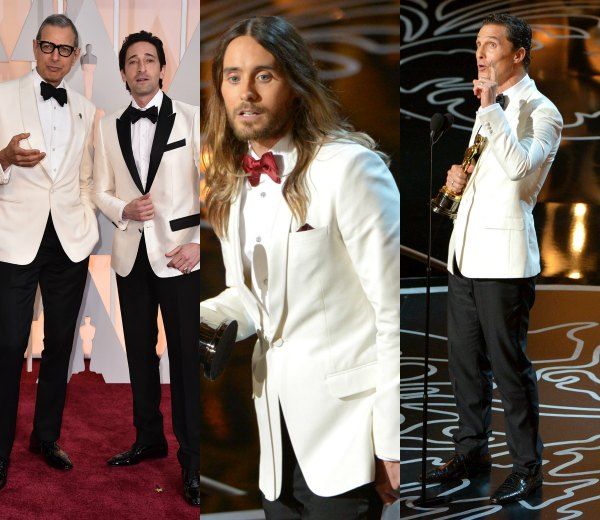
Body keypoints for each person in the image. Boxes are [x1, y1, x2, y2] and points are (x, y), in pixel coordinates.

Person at [201, 16, 400, 519]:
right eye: (232, 76)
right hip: (275, 435)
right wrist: (198, 316)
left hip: (345, 433)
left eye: (263, 75)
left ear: (294, 84)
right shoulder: (231, 184)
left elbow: (390, 310)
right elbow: (248, 298)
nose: (246, 91)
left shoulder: (349, 168)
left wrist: (390, 438)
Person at [422, 13, 563, 504]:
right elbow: (489, 175)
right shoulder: (492, 110)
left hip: (504, 264)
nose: (480, 53)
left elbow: (522, 170)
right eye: (477, 44)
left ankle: (528, 465)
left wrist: (489, 111)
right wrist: (457, 180)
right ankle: (471, 449)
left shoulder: (541, 112)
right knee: (464, 362)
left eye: (492, 45)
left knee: (509, 367)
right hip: (466, 257)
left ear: (518, 54)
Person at [92, 31, 200, 507]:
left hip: (180, 257)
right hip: (130, 256)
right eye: (132, 62)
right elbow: (98, 189)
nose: (140, 68)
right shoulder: (106, 126)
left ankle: (194, 461)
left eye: (149, 60)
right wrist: (121, 209)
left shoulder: (192, 120)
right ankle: (148, 438)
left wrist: (200, 242)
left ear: (162, 69)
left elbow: (216, 187)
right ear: (122, 72)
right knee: (140, 353)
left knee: (186, 360)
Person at [0, 14, 98, 490]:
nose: (56, 56)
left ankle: (45, 437)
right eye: (48, 47)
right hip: (15, 237)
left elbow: (82, 177)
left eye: (66, 50)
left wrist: (82, 225)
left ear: (75, 56)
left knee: (60, 344)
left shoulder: (83, 106)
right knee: (7, 345)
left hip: (69, 241)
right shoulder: (4, 96)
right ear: (36, 48)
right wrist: (3, 159)